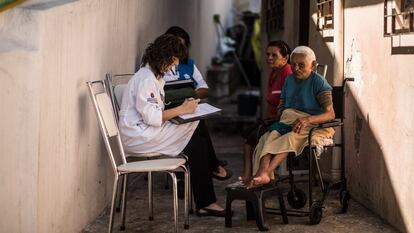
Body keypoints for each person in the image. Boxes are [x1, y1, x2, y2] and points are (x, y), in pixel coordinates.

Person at [118, 34, 225, 217]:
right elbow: (154, 118)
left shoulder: (154, 76)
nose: (175, 66)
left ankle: (206, 197)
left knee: (197, 126)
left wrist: (185, 108)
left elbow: (155, 111)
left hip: (147, 130)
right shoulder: (147, 79)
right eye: (174, 61)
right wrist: (182, 109)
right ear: (164, 56)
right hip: (139, 136)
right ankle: (206, 200)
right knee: (196, 142)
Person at [242, 46, 335, 189]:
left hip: (312, 124)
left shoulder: (319, 82)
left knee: (290, 138)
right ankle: (263, 174)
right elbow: (282, 104)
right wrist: (282, 117)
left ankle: (265, 173)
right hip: (288, 120)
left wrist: (307, 120)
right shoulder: (289, 80)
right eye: (293, 64)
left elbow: (330, 114)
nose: (296, 68)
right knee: (268, 137)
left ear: (313, 65)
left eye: (301, 65)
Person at [164, 26, 231, 180]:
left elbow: (204, 89)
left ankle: (196, 174)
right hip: (167, 116)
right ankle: (212, 165)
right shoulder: (156, 66)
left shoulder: (188, 64)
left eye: (182, 46)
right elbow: (156, 96)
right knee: (197, 127)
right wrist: (179, 95)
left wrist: (188, 95)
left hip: (184, 110)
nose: (177, 50)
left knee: (196, 123)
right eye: (174, 45)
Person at [239, 40, 292, 184]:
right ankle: (247, 176)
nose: (269, 58)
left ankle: (258, 177)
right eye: (268, 54)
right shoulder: (273, 72)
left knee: (254, 138)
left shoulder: (287, 72)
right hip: (271, 119)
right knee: (247, 137)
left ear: (285, 58)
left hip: (282, 121)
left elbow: (289, 103)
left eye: (274, 55)